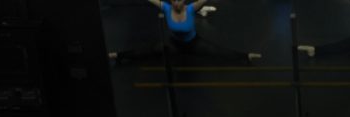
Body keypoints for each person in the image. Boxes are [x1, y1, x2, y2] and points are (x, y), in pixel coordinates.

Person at [109, 0, 262, 64]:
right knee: (148, 51)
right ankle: (119, 56)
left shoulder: (191, 9)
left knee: (217, 51)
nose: (176, 3)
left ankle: (246, 56)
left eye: (179, 0)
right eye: (173, 0)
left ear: (184, 1)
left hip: (193, 43)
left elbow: (203, 0)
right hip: (174, 44)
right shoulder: (166, 8)